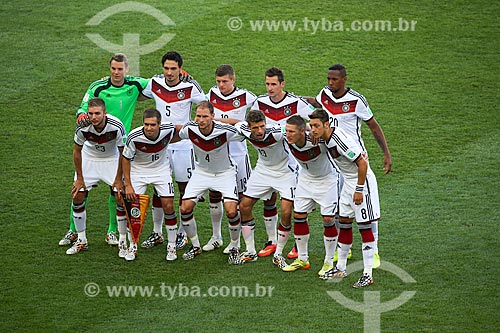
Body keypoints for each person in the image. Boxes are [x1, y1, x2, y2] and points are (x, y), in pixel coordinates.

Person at [59, 53, 149, 247]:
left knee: (116, 191)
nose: (116, 72)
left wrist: (183, 77)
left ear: (127, 69)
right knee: (78, 191)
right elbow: (84, 106)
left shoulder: (135, 85)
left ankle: (111, 231)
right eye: (113, 69)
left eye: (120, 69)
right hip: (93, 146)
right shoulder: (98, 86)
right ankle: (73, 231)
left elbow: (161, 85)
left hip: (116, 146)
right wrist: (82, 115)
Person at [307, 64, 391, 268]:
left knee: (366, 210)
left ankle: (375, 250)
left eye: (334, 79)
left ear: (344, 79)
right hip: (336, 161)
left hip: (355, 157)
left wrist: (386, 153)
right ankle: (345, 248)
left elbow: (373, 125)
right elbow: (317, 108)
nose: (330, 83)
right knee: (339, 207)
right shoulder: (325, 94)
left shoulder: (357, 100)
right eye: (328, 79)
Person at [140, 51, 206, 252]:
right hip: (161, 145)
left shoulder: (189, 86)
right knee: (159, 188)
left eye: (173, 69)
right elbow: (137, 94)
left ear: (180, 69)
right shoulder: (154, 83)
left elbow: (205, 105)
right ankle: (157, 232)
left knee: (184, 189)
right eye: (166, 68)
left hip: (183, 146)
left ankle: (182, 234)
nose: (169, 72)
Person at [251, 67, 316, 259]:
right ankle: (272, 241)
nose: (270, 88)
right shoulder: (259, 102)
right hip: (268, 160)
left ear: (282, 84)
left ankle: (298, 244)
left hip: (291, 161)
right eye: (267, 84)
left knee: (294, 206)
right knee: (268, 199)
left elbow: (314, 118)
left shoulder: (295, 102)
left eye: (273, 84)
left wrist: (310, 130)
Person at [309, 109, 378, 287]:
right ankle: (340, 267)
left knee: (364, 227)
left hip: (361, 183)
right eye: (311, 126)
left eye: (316, 126)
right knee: (345, 222)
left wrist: (359, 189)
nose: (313, 129)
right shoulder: (326, 136)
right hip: (348, 182)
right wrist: (313, 135)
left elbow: (362, 163)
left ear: (326, 125)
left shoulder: (339, 140)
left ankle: (367, 274)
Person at [177, 101, 243, 263]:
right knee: (185, 208)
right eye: (198, 116)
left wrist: (223, 121)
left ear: (213, 116)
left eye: (205, 116)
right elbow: (177, 132)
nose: (201, 120)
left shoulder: (225, 131)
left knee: (231, 211)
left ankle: (235, 245)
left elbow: (243, 127)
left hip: (224, 173)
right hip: (202, 173)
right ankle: (196, 245)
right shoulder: (189, 129)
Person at [230, 110, 297, 268]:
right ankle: (250, 251)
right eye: (255, 128)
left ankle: (278, 253)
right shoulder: (244, 129)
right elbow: (234, 122)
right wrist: (212, 120)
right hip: (263, 171)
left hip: (285, 172)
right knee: (244, 206)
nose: (260, 131)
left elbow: (297, 129)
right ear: (249, 127)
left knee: (286, 211)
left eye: (262, 126)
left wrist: (312, 130)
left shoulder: (277, 132)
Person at [203, 64, 257, 254]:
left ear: (233, 79)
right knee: (215, 194)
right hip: (217, 154)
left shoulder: (246, 97)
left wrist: (224, 122)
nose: (221, 85)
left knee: (242, 200)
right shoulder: (212, 94)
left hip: (238, 155)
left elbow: (253, 121)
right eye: (218, 81)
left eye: (225, 81)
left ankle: (243, 241)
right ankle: (216, 236)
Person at [118, 109, 181, 261]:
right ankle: (132, 245)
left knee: (168, 205)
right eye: (146, 124)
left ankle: (171, 246)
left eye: (153, 125)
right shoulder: (134, 136)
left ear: (159, 124)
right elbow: (125, 159)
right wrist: (128, 185)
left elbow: (183, 130)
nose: (149, 128)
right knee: (134, 208)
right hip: (139, 171)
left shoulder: (168, 129)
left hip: (161, 170)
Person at [281, 115, 340, 275]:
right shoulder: (286, 137)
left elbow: (335, 132)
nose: (288, 134)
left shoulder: (318, 140)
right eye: (287, 131)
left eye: (292, 131)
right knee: (299, 215)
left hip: (327, 180)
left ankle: (328, 262)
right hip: (305, 180)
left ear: (301, 132)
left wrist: (315, 132)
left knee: (328, 219)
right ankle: (302, 258)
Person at [66, 97, 126, 255]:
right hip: (89, 158)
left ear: (105, 113)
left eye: (97, 113)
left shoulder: (117, 126)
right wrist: (80, 178)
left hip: (111, 159)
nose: (94, 117)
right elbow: (77, 151)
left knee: (120, 196)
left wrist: (119, 179)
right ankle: (81, 240)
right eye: (91, 113)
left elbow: (123, 153)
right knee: (77, 196)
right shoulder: (82, 127)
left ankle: (119, 238)